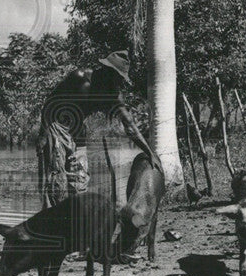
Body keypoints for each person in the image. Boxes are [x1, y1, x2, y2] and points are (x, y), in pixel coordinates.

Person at [36, 50, 158, 208]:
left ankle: (75, 222)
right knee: (56, 182)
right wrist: (43, 133)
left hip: (78, 132)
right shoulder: (80, 78)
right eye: (116, 77)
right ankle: (53, 223)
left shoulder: (113, 95)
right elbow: (50, 102)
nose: (118, 82)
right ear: (106, 71)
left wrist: (149, 152)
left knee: (79, 180)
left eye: (120, 79)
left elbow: (130, 126)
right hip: (56, 127)